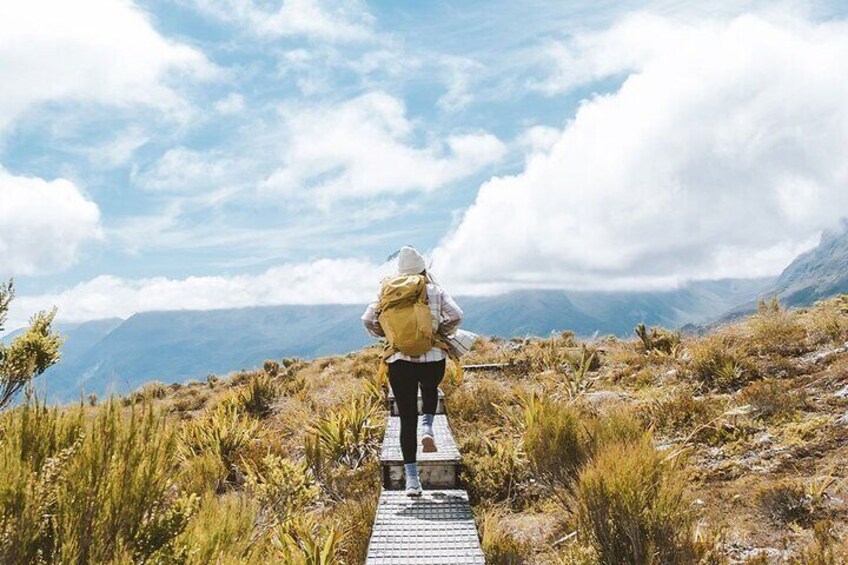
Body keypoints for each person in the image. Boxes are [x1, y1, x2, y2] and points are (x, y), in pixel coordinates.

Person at [361, 246, 463, 496]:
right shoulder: (435, 290)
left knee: (407, 419)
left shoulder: (389, 291)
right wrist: (439, 332)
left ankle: (412, 481)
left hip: (399, 361)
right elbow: (457, 315)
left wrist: (388, 335)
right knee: (430, 389)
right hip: (433, 357)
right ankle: (428, 428)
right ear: (423, 269)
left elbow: (367, 319)